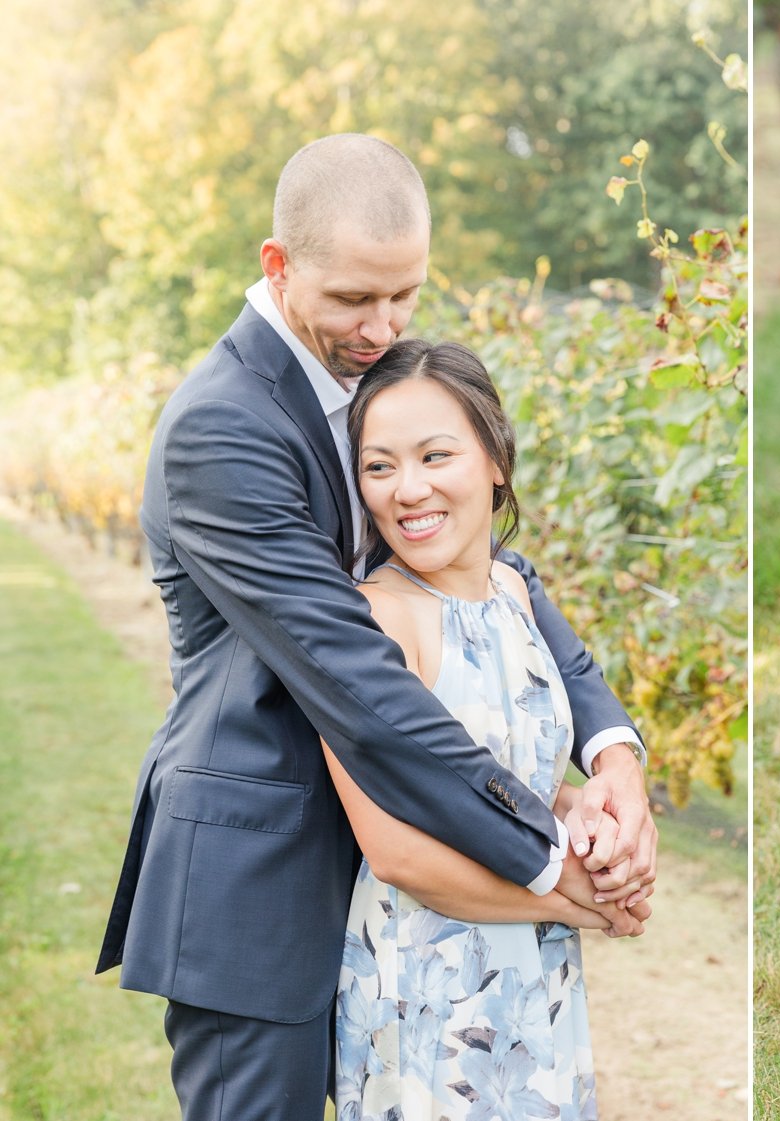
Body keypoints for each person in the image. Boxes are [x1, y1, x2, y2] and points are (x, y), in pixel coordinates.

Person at [95, 133, 656, 1121]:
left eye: (405, 295)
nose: (383, 325)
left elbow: (495, 570)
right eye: (356, 298)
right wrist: (541, 839)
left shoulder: (368, 383)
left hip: (393, 880)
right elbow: (353, 670)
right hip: (259, 881)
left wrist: (611, 752)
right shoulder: (223, 423)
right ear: (278, 264)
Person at [330, 337, 634, 1118]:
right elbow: (395, 849)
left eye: (437, 455)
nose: (409, 489)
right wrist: (579, 902)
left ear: (495, 457)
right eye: (380, 466)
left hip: (536, 970)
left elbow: (520, 771)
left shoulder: (514, 591)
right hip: (431, 983)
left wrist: (591, 819)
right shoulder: (373, 622)